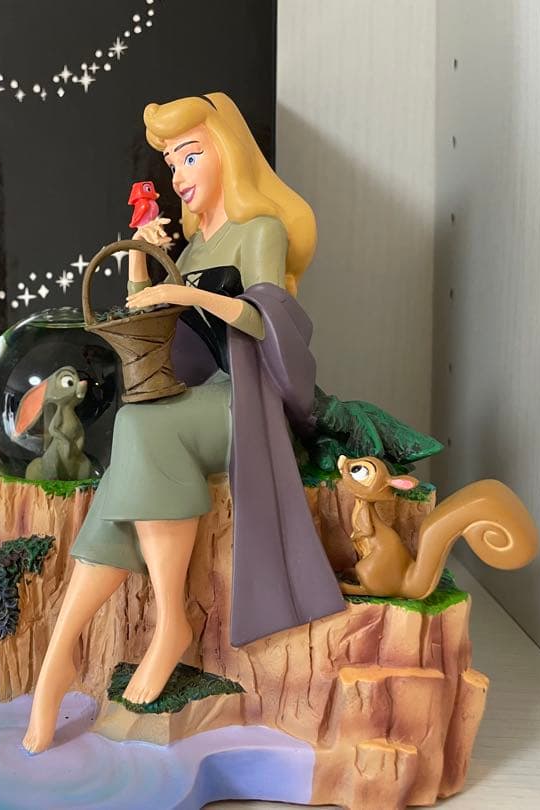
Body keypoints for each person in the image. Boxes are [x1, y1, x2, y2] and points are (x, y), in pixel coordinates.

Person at [22, 92, 344, 754]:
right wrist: (142, 259)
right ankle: (57, 658)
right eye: (171, 163)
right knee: (135, 439)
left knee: (142, 428)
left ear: (227, 152)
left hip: (245, 401)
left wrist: (188, 292)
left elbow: (269, 320)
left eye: (190, 155)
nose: (179, 175)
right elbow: (145, 317)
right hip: (194, 397)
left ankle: (168, 624)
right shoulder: (193, 243)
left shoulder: (259, 230)